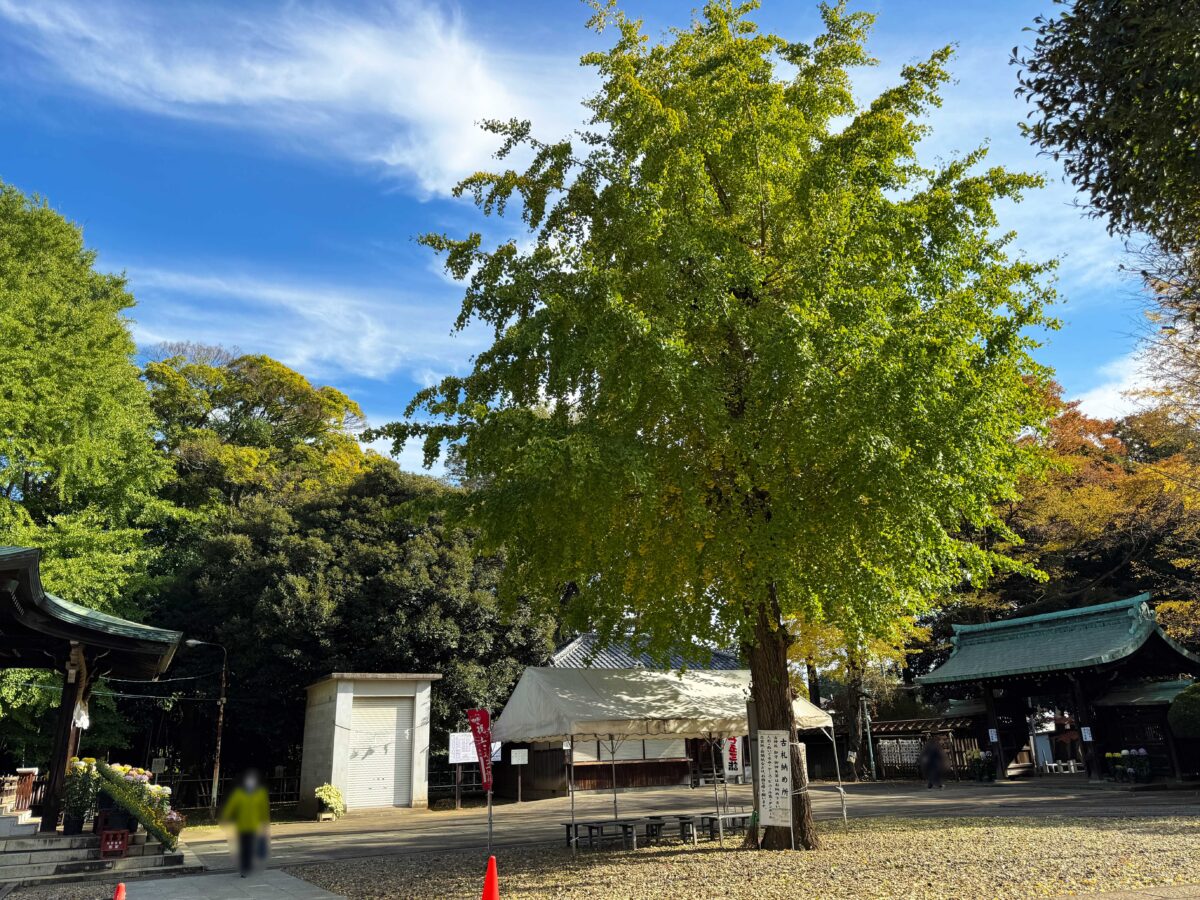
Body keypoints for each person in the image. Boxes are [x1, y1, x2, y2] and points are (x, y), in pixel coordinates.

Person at [220, 769, 270, 877]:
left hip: (254, 825)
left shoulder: (260, 794)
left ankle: (248, 865)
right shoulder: (239, 794)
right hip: (242, 825)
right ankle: (244, 867)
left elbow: (264, 809)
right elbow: (231, 806)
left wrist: (265, 822)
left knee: (250, 847)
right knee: (243, 847)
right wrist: (225, 818)